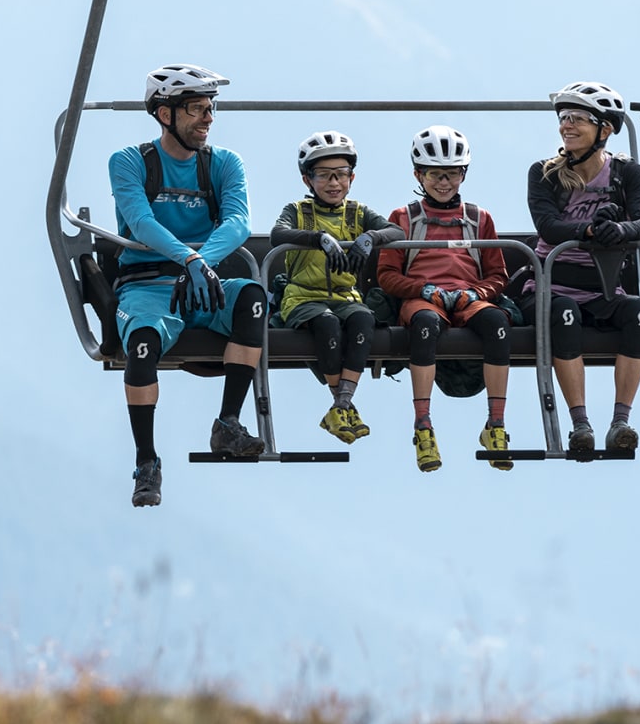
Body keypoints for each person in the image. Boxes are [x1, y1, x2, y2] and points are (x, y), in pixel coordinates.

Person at [109, 64, 268, 507]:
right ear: (165, 114)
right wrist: (190, 258)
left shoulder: (223, 164)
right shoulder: (130, 162)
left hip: (204, 281)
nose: (209, 118)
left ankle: (228, 423)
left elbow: (238, 222)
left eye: (210, 108)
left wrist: (204, 263)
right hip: (148, 286)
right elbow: (140, 222)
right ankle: (147, 461)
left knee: (252, 299)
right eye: (197, 109)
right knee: (142, 343)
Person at [517, 81, 640, 460]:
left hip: (603, 288)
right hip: (551, 287)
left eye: (578, 119)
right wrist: (591, 230)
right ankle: (581, 423)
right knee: (565, 314)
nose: (567, 125)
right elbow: (548, 226)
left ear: (605, 129)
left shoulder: (627, 175)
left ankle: (620, 422)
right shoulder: (544, 173)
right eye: (564, 118)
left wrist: (622, 230)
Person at [374, 126, 514, 473]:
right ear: (419, 174)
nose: (444, 183)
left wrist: (476, 293)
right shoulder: (403, 219)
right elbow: (387, 274)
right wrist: (421, 289)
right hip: (424, 298)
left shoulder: (479, 219)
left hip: (467, 296)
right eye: (436, 175)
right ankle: (423, 426)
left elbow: (497, 274)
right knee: (424, 326)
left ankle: (496, 425)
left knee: (497, 324)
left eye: (452, 174)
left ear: (463, 174)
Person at [268, 131, 402, 446]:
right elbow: (277, 234)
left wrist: (370, 238)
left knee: (363, 319)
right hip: (304, 297)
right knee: (327, 323)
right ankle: (343, 403)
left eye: (341, 175)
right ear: (307, 180)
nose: (334, 183)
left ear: (351, 177)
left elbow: (394, 230)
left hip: (345, 297)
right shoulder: (298, 211)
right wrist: (318, 238)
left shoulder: (357, 212)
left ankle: (341, 405)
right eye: (324, 175)